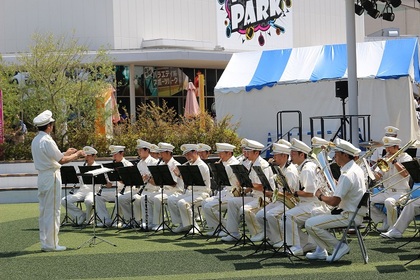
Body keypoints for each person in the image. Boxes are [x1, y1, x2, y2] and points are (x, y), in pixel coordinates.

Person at [31, 110, 85, 252]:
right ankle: (52, 244)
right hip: (51, 176)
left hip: (42, 176)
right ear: (49, 126)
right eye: (52, 124)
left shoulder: (36, 140)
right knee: (53, 211)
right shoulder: (47, 140)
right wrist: (77, 154)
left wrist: (67, 153)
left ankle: (45, 242)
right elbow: (61, 160)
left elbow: (55, 156)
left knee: (44, 210)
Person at [305, 138, 366, 262]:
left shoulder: (347, 174)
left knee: (309, 224)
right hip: (353, 213)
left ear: (345, 155)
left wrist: (320, 196)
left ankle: (340, 246)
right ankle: (320, 251)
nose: (334, 157)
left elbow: (334, 202)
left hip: (348, 216)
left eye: (337, 154)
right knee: (315, 212)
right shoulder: (356, 169)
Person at [221, 138, 275, 242]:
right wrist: (243, 190)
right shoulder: (251, 163)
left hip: (265, 197)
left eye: (249, 151)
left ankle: (259, 232)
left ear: (256, 152)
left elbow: (263, 186)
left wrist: (246, 184)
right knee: (232, 202)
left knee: (245, 209)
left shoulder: (262, 165)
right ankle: (233, 233)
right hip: (255, 196)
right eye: (246, 151)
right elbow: (252, 185)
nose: (246, 153)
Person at [279, 138, 321, 256]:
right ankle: (306, 243)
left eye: (293, 154)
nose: (291, 156)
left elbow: (311, 193)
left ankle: (296, 246)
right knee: (285, 217)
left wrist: (294, 193)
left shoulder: (307, 169)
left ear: (301, 154)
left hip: (312, 205)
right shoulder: (304, 166)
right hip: (307, 203)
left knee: (287, 216)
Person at [253, 142, 299, 246]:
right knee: (260, 215)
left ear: (284, 156)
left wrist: (272, 194)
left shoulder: (290, 171)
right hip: (280, 200)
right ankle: (274, 238)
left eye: (276, 155)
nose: (274, 157)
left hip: (289, 202)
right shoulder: (280, 168)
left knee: (271, 215)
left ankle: (282, 239)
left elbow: (289, 193)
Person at [370, 136, 412, 232]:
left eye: (389, 147)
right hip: (387, 191)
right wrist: (371, 173)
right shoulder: (385, 158)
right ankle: (384, 220)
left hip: (401, 192)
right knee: (367, 201)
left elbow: (405, 174)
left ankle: (393, 228)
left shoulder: (406, 157)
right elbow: (378, 176)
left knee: (389, 202)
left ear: (396, 147)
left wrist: (394, 162)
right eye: (386, 147)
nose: (387, 150)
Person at [168, 144, 211, 234]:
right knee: (171, 199)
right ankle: (183, 224)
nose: (187, 157)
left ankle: (194, 225)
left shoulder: (201, 165)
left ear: (195, 152)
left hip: (201, 193)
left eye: (188, 154)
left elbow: (193, 180)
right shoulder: (191, 164)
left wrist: (179, 175)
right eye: (185, 155)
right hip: (190, 192)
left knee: (182, 203)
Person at [202, 143, 240, 236]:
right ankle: (218, 227)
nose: (219, 156)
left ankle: (225, 227)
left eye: (221, 153)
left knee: (209, 207)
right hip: (226, 192)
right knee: (204, 202)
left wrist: (218, 168)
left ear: (229, 153)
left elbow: (222, 179)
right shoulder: (226, 163)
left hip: (233, 194)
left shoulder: (232, 164)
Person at [95, 145, 133, 227]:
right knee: (98, 197)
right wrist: (104, 180)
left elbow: (130, 182)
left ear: (121, 153)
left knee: (118, 197)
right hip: (117, 191)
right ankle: (105, 220)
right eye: (113, 155)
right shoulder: (112, 165)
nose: (114, 157)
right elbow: (109, 185)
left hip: (127, 191)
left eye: (115, 154)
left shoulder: (128, 164)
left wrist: (118, 177)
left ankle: (119, 220)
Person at [60, 146, 99, 225]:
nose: (86, 158)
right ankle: (81, 215)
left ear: (93, 156)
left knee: (89, 201)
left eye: (88, 156)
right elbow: (76, 178)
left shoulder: (99, 167)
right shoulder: (82, 167)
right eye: (85, 156)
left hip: (93, 191)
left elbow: (107, 182)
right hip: (81, 191)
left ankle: (89, 219)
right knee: (64, 201)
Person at [150, 142, 184, 231]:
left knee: (157, 198)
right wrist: (151, 179)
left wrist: (161, 179)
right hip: (164, 191)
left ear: (169, 153)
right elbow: (158, 183)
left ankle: (160, 223)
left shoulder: (176, 165)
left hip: (175, 191)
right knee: (146, 197)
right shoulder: (161, 165)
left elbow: (173, 183)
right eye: (160, 153)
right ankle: (150, 221)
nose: (160, 155)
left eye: (162, 153)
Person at [128, 139, 159, 228]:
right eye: (138, 150)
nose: (138, 152)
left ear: (147, 150)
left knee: (142, 198)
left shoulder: (154, 162)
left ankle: (151, 222)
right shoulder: (139, 164)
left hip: (153, 190)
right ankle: (139, 221)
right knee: (135, 198)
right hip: (142, 190)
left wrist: (148, 179)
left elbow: (157, 181)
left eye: (140, 150)